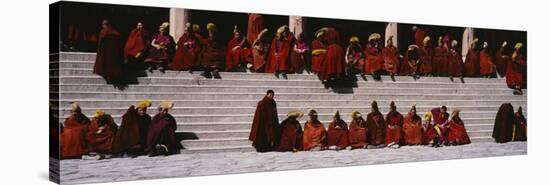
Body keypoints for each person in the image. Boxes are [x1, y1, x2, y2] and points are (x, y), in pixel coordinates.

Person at [94, 19, 125, 84]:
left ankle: (108, 78)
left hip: (106, 52)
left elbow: (100, 42)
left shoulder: (104, 31)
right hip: (115, 52)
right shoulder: (115, 31)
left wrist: (100, 51)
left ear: (104, 25)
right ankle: (114, 78)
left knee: (106, 65)